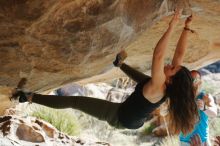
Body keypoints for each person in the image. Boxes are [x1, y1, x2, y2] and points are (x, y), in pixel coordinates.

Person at [12, 10, 198, 133]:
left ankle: (28, 97)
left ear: (171, 81)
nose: (169, 65)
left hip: (121, 117)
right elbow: (179, 56)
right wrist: (186, 27)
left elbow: (158, 56)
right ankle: (119, 64)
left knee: (75, 101)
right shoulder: (168, 84)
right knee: (145, 83)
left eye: (171, 69)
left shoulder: (159, 86)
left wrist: (172, 25)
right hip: (137, 115)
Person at [179, 70, 218, 146]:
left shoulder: (206, 96)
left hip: (203, 140)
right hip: (185, 141)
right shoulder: (181, 98)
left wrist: (204, 108)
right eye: (190, 79)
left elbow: (214, 113)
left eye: (196, 79)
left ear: (200, 82)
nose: (194, 82)